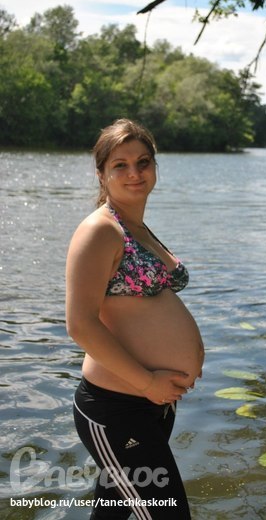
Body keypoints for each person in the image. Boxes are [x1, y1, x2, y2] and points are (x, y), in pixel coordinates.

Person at [66, 118, 204, 519]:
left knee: (113, 513)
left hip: (152, 403)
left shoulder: (136, 227)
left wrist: (158, 385)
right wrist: (147, 382)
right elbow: (80, 324)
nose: (134, 173)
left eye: (143, 162)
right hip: (116, 409)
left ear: (155, 167)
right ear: (101, 174)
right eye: (120, 165)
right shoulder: (100, 231)